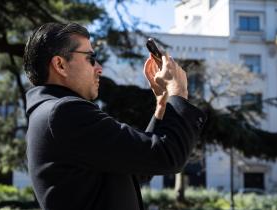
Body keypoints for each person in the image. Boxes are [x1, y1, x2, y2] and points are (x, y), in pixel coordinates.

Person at [24, 22, 206, 210]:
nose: (99, 68)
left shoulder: (50, 113)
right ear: (60, 64)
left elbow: (136, 168)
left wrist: (163, 105)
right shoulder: (64, 112)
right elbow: (168, 156)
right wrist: (179, 91)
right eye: (91, 58)